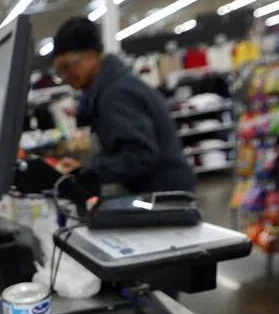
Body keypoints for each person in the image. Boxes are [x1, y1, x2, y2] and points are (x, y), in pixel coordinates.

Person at [50, 16, 196, 196]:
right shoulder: (115, 85)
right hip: (161, 194)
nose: (65, 76)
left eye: (67, 67)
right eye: (59, 72)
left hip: (163, 200)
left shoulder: (115, 94)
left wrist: (90, 171)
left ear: (91, 54)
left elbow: (140, 154)